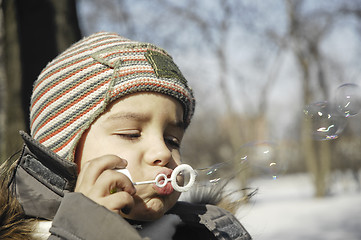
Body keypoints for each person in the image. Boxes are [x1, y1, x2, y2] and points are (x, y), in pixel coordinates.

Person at [0, 32, 252, 240]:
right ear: (60, 151)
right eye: (130, 134)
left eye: (172, 140)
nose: (164, 153)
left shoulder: (207, 230)